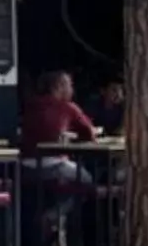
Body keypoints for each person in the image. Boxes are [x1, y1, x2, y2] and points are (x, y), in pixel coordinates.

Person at [19, 70, 98, 230]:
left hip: (24, 167)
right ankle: (53, 217)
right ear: (59, 86)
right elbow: (90, 133)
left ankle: (54, 233)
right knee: (87, 181)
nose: (72, 89)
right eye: (70, 85)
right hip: (53, 166)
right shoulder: (67, 107)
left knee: (67, 185)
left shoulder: (30, 105)